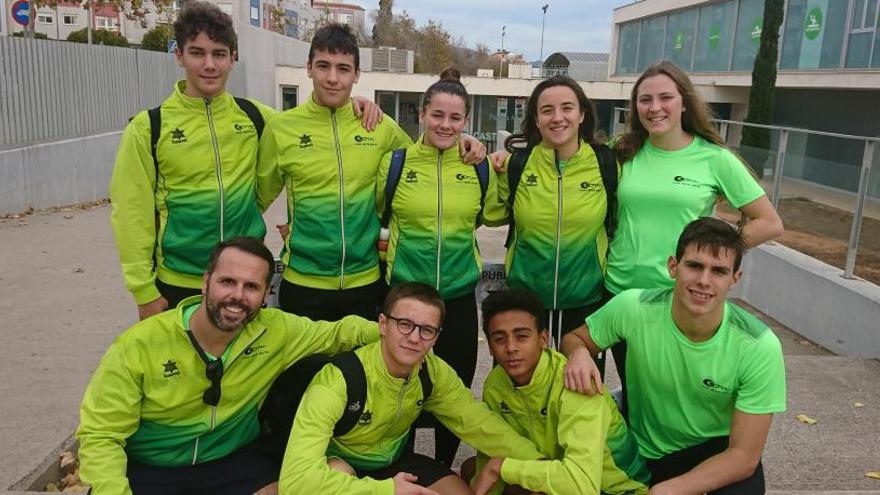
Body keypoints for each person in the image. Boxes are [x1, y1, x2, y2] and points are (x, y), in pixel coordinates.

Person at [110, 4, 378, 321]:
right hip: (179, 281)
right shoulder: (148, 128)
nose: (209, 65)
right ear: (179, 55)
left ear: (233, 58)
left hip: (244, 280)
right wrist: (143, 290)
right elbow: (131, 214)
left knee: (247, 370)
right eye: (197, 53)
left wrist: (354, 104)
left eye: (219, 54)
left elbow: (312, 129)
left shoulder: (256, 118)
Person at [77, 237, 381, 495]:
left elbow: (339, 333)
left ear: (265, 295)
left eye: (251, 286)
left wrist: (400, 330)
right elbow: (101, 436)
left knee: (325, 479)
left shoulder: (276, 330)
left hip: (231, 460)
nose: (237, 295)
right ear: (205, 282)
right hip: (152, 466)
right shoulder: (139, 345)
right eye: (227, 282)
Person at [256, 23, 486, 323]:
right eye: (323, 66)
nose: (333, 78)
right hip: (303, 283)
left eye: (343, 68)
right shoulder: (281, 128)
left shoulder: (379, 125)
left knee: (362, 371)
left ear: (356, 75)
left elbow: (425, 156)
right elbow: (257, 198)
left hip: (365, 284)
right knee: (305, 372)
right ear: (309, 67)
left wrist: (464, 141)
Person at [601, 61, 784, 404]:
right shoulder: (622, 151)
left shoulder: (714, 158)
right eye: (644, 100)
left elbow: (768, 222)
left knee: (672, 404)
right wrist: (506, 155)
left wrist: (714, 255)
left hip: (678, 301)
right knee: (637, 398)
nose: (655, 108)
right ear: (634, 107)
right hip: (619, 295)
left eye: (665, 98)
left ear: (684, 102)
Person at [561, 218, 787, 494]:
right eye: (694, 266)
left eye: (718, 271)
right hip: (641, 450)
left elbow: (744, 457)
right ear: (673, 267)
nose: (704, 281)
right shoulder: (633, 307)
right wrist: (579, 354)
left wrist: (668, 490)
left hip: (714, 452)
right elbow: (573, 339)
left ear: (734, 279)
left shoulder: (758, 345)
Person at [278, 282, 545, 495]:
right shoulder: (338, 379)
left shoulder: (431, 370)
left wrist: (542, 466)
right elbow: (296, 483)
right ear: (383, 324)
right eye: (404, 325)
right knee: (335, 476)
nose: (414, 338)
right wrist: (385, 490)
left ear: (437, 336)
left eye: (427, 329)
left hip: (394, 461)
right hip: (341, 463)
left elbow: (479, 423)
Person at [376, 68, 503, 467]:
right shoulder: (395, 164)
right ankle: (407, 469)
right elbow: (378, 213)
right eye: (437, 115)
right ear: (422, 115)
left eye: (455, 118)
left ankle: (444, 469)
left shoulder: (477, 168)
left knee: (454, 394)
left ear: (466, 121)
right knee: (402, 389)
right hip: (405, 299)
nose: (445, 125)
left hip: (458, 298)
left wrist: (498, 160)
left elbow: (493, 214)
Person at [464, 289, 649, 495]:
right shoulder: (495, 383)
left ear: (543, 339)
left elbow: (582, 485)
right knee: (472, 470)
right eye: (499, 339)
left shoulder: (575, 381)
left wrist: (501, 467)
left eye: (522, 336)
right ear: (489, 346)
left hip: (613, 488)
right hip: (557, 466)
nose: (511, 347)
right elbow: (494, 448)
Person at [494, 75, 617, 345]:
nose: (557, 117)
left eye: (567, 108)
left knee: (578, 386)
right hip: (524, 306)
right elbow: (491, 215)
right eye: (547, 110)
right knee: (520, 387)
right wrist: (483, 160)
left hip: (586, 304)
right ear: (536, 119)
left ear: (582, 114)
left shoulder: (607, 163)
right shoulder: (516, 165)